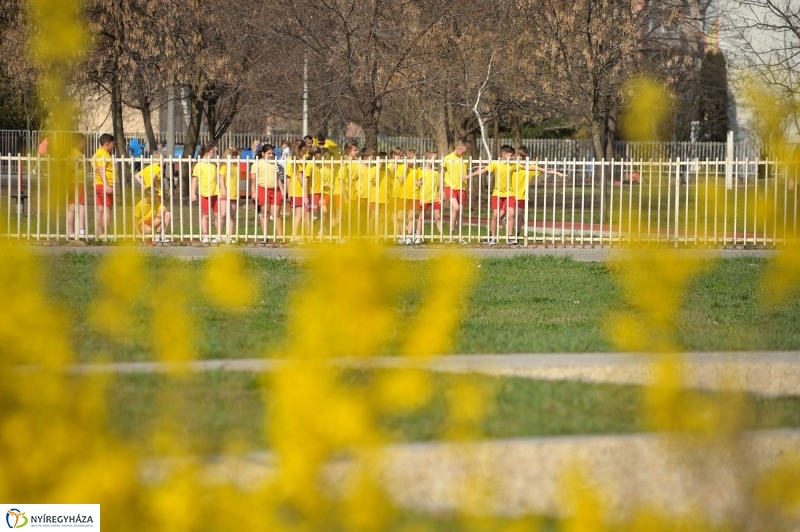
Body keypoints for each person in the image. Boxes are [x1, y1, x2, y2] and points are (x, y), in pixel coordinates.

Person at [510, 146, 564, 244]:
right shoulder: (512, 165)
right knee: (502, 215)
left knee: (518, 215)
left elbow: (543, 169)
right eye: (520, 157)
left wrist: (556, 173)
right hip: (509, 194)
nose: (521, 159)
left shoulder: (532, 166)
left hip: (522, 195)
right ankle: (491, 235)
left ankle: (516, 237)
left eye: (523, 158)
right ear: (516, 156)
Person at [468, 144, 516, 245]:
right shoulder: (495, 164)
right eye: (511, 155)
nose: (512, 158)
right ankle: (492, 238)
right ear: (504, 155)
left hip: (510, 194)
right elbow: (483, 171)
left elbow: (527, 166)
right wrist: (469, 176)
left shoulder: (513, 165)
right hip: (497, 194)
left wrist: (543, 169)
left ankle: (510, 237)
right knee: (495, 215)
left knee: (511, 214)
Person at [250, 143, 284, 241]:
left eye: (272, 154)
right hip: (262, 189)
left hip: (275, 190)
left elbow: (278, 178)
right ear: (263, 153)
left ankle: (280, 237)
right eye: (269, 153)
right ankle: (265, 237)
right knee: (265, 213)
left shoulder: (274, 163)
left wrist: (281, 190)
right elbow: (253, 179)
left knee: (276, 214)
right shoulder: (257, 163)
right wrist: (253, 192)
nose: (271, 155)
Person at [190, 143, 222, 243]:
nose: (214, 154)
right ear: (208, 152)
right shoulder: (198, 165)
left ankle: (218, 235)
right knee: (206, 215)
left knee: (218, 215)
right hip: (204, 193)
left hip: (215, 193)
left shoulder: (214, 164)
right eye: (213, 152)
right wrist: (192, 193)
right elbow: (194, 180)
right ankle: (205, 235)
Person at [441, 139, 471, 243]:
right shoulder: (448, 158)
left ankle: (459, 236)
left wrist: (468, 187)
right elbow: (442, 174)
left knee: (460, 213)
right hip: (451, 186)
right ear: (458, 148)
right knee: (456, 208)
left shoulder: (466, 159)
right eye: (463, 152)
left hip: (462, 188)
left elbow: (467, 174)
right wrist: (441, 190)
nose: (465, 154)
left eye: (466, 152)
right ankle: (451, 233)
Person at [414, 151, 443, 243]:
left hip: (434, 197)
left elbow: (439, 186)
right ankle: (418, 236)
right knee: (421, 217)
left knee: (438, 216)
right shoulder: (421, 172)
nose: (433, 161)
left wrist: (439, 197)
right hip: (424, 198)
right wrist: (418, 183)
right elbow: (417, 183)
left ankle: (442, 237)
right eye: (432, 159)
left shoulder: (435, 173)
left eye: (435, 159)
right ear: (426, 159)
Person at [93, 133, 116, 240]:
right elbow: (100, 168)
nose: (113, 147)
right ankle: (105, 234)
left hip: (99, 184)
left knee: (100, 209)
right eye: (112, 144)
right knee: (107, 209)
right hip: (103, 184)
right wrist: (106, 185)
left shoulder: (99, 153)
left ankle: (100, 234)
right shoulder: (102, 154)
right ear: (107, 144)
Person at [285, 140, 310, 241]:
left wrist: (289, 191)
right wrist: (305, 188)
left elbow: (288, 177)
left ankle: (294, 234)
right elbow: (300, 176)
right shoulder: (300, 160)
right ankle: (294, 235)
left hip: (293, 190)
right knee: (298, 214)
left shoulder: (290, 159)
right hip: (299, 190)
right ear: (303, 148)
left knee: (296, 213)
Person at [219, 147, 241, 243]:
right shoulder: (224, 166)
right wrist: (223, 189)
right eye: (237, 156)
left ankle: (230, 235)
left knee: (232, 215)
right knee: (223, 214)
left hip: (234, 194)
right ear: (233, 156)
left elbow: (236, 182)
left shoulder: (236, 167)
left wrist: (238, 193)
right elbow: (221, 179)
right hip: (224, 194)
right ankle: (219, 234)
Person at [67, 133, 87, 239]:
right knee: (80, 206)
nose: (85, 144)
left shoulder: (74, 153)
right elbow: (70, 169)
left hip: (73, 183)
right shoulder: (76, 154)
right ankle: (81, 230)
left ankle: (70, 231)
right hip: (77, 183)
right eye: (84, 142)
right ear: (78, 143)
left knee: (72, 206)